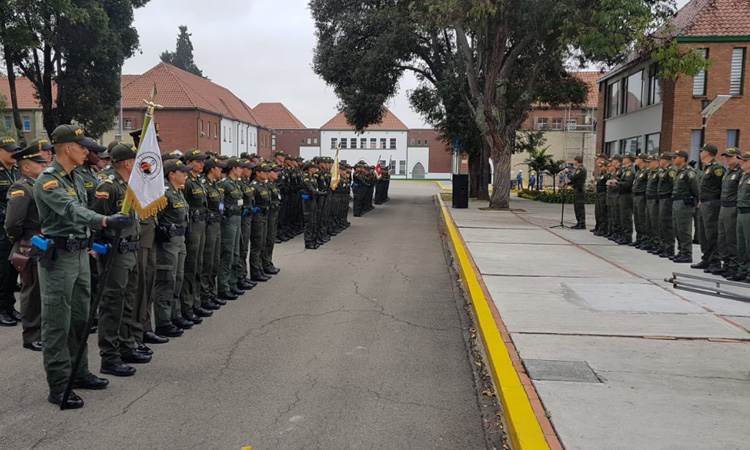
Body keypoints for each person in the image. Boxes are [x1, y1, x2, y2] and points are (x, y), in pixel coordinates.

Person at [35, 124, 132, 409]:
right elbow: (70, 210)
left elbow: (86, 206)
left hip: (78, 255)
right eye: (81, 147)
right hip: (59, 259)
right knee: (57, 323)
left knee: (80, 319)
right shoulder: (49, 180)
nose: (86, 152)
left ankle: (80, 372)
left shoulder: (77, 177)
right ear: (66, 148)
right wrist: (104, 221)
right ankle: (59, 383)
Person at [91, 143, 151, 377]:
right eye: (136, 161)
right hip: (115, 254)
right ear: (127, 163)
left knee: (127, 301)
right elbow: (98, 218)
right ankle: (110, 357)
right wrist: (95, 247)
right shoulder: (109, 186)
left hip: (131, 251)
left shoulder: (129, 186)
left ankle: (126, 346)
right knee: (112, 305)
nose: (139, 165)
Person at [4, 143, 48, 350]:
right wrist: (19, 241)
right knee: (31, 291)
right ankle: (31, 336)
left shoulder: (39, 185)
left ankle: (41, 331)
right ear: (26, 167)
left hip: (43, 241)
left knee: (41, 290)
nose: (43, 165)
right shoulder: (21, 187)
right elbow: (13, 222)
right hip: (29, 243)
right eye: (38, 163)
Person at [152, 159, 192, 338]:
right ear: (171, 174)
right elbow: (154, 218)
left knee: (178, 278)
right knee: (166, 280)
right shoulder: (164, 193)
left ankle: (175, 315)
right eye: (182, 172)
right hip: (168, 242)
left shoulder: (178, 192)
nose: (185, 174)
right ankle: (163, 321)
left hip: (179, 240)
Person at [180, 150, 212, 324]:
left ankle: (196, 301)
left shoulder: (198, 181)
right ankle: (187, 305)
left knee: (199, 264)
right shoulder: (186, 182)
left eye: (202, 162)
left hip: (201, 226)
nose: (202, 165)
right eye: (199, 162)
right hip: (192, 228)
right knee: (190, 267)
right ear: (190, 162)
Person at [200, 157, 227, 308]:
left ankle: (211, 292)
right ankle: (205, 296)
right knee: (208, 261)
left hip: (217, 224)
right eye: (218, 168)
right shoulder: (204, 186)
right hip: (209, 226)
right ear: (212, 169)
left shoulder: (215, 185)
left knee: (215, 260)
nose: (221, 170)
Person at [217, 157, 245, 300]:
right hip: (228, 221)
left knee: (235, 252)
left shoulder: (236, 184)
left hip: (237, 219)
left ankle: (232, 283)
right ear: (234, 168)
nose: (242, 170)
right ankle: (223, 286)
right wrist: (223, 212)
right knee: (227, 252)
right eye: (240, 167)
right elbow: (220, 203)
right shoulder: (225, 184)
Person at [693, 143, 724, 272]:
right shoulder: (706, 168)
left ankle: (715, 261)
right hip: (704, 203)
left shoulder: (717, 168)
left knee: (711, 233)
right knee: (703, 233)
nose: (700, 153)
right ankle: (706, 258)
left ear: (706, 153)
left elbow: (721, 187)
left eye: (702, 151)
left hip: (712, 204)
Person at [0, 136, 20, 327]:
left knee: (12, 270)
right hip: (1, 228)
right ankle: (1, 309)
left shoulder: (15, 172)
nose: (14, 153)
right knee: (2, 271)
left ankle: (10, 307)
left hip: (13, 228)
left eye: (15, 150)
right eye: (9, 150)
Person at [717, 148, 742, 279]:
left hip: (732, 208)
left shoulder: (740, 173)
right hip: (723, 207)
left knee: (732, 239)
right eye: (726, 156)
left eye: (730, 157)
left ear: (738, 157)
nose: (727, 159)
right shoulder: (727, 172)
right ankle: (726, 264)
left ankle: (734, 266)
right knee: (723, 238)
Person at [670, 150, 699, 263]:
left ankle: (687, 253)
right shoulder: (679, 171)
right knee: (677, 228)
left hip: (685, 203)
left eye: (675, 157)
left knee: (684, 229)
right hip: (677, 202)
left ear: (682, 158)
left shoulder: (689, 172)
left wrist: (695, 200)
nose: (673, 159)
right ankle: (681, 251)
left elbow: (695, 189)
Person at [250, 162, 272, 281]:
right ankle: (255, 272)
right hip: (257, 217)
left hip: (264, 216)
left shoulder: (263, 185)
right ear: (258, 173)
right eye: (265, 172)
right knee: (257, 245)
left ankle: (260, 268)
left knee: (262, 243)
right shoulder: (254, 186)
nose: (268, 174)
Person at [732, 151, 750, 281]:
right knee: (741, 243)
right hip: (741, 211)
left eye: (745, 161)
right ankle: (743, 269)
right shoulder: (744, 176)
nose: (742, 163)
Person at [262, 164, 282, 274]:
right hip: (268, 215)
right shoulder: (266, 186)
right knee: (267, 240)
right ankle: (265, 264)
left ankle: (268, 262)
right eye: (274, 171)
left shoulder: (272, 185)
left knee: (271, 239)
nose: (277, 174)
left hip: (274, 214)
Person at [657, 153, 678, 258]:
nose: (660, 161)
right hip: (662, 199)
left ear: (665, 160)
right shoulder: (665, 171)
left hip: (667, 200)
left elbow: (674, 185)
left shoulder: (671, 171)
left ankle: (669, 248)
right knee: (662, 224)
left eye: (661, 160)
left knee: (667, 224)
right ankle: (663, 246)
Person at [616, 154, 636, 244]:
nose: (623, 160)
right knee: (622, 216)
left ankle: (627, 237)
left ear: (629, 160)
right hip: (622, 195)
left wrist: (618, 183)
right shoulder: (626, 170)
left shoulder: (630, 170)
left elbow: (628, 184)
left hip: (627, 195)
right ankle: (624, 235)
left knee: (626, 216)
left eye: (625, 158)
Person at [643, 155, 662, 253]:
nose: (648, 164)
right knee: (648, 223)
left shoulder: (659, 173)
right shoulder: (651, 173)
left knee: (655, 223)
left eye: (650, 162)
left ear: (656, 162)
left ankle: (656, 243)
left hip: (655, 200)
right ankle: (651, 242)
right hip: (649, 199)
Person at [301, 162, 321, 249]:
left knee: (313, 221)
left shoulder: (312, 177)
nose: (315, 169)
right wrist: (321, 193)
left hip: (313, 200)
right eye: (314, 167)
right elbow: (311, 189)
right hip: (308, 201)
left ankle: (312, 239)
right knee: (309, 222)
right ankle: (308, 242)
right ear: (309, 168)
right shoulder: (306, 178)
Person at [631, 154, 649, 247]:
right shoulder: (639, 171)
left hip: (642, 196)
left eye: (638, 158)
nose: (636, 160)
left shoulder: (647, 171)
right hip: (636, 196)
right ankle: (639, 238)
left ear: (642, 160)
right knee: (637, 219)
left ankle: (644, 239)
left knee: (642, 218)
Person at [567, 155, 587, 229]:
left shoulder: (581, 169)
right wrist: (567, 184)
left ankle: (581, 223)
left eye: (575, 161)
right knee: (576, 207)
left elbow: (573, 178)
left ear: (577, 161)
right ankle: (579, 222)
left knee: (579, 207)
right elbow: (574, 180)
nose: (574, 162)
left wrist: (568, 173)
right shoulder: (578, 169)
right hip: (577, 189)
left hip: (579, 190)